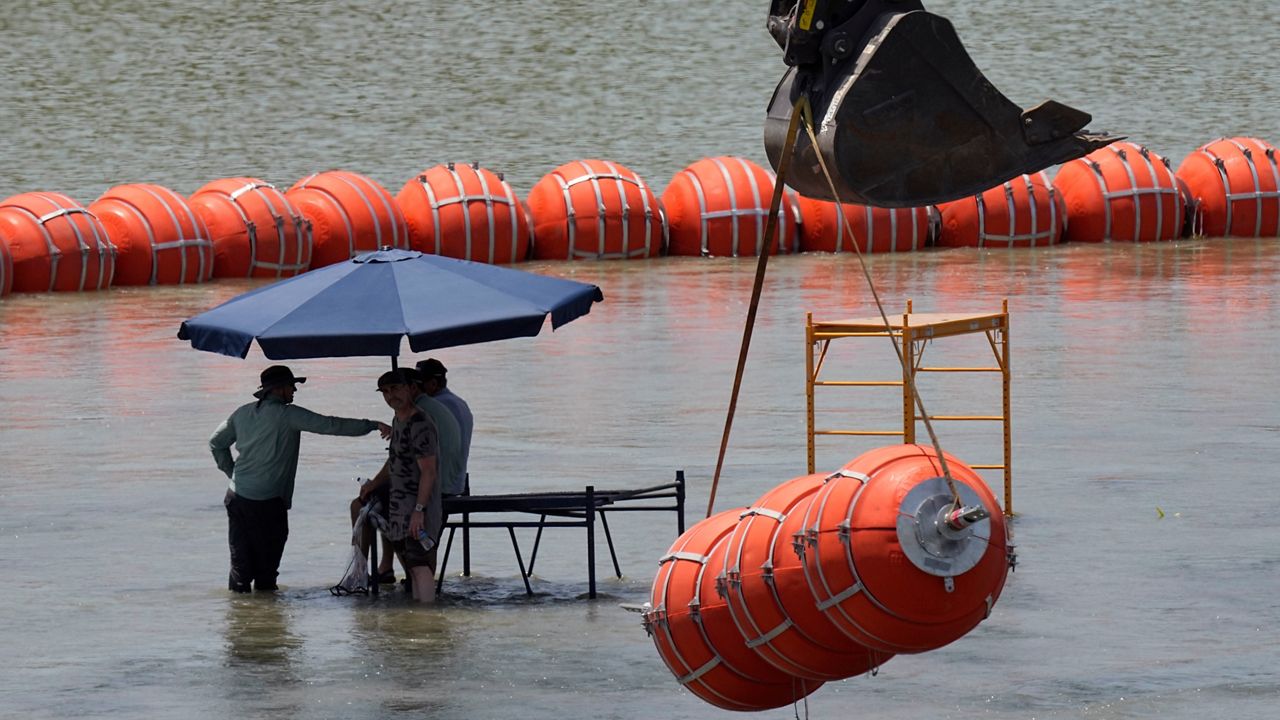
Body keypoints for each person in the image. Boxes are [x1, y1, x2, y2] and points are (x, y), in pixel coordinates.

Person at [210, 365, 389, 593]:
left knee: (239, 567)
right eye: (291, 385)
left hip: (237, 498)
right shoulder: (288, 415)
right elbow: (331, 425)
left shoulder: (241, 413)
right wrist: (372, 425)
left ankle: (241, 619)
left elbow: (216, 443)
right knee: (267, 571)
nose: (294, 390)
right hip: (269, 502)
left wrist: (233, 473)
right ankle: (267, 621)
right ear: (279, 389)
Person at [350, 367, 461, 586]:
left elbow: (422, 468)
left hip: (427, 490)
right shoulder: (411, 415)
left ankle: (366, 572)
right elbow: (398, 459)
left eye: (396, 389)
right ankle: (387, 568)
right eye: (385, 391)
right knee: (379, 502)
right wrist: (376, 483)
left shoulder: (418, 418)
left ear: (411, 388)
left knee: (363, 506)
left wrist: (418, 509)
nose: (391, 396)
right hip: (446, 483)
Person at [416, 358, 473, 495]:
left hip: (440, 485)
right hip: (457, 482)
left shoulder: (432, 407)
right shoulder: (460, 403)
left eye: (419, 384)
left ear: (433, 384)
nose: (415, 388)